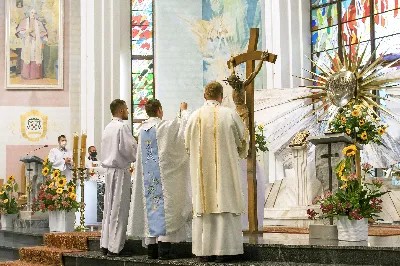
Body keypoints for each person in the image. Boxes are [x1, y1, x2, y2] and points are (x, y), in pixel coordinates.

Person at [185, 81, 249, 263]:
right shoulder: (229, 115)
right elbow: (243, 141)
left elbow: (187, 145)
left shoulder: (194, 117)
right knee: (224, 202)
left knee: (205, 207)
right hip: (225, 172)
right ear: (221, 97)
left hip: (202, 175)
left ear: (205, 96)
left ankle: (204, 251)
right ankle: (225, 250)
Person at [128, 99, 191, 260]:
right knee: (166, 210)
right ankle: (164, 250)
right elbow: (184, 127)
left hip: (149, 179)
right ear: (159, 110)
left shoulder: (143, 129)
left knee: (152, 210)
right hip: (163, 180)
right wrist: (183, 110)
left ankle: (152, 249)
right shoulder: (162, 126)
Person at [100, 99, 137, 256]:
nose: (128, 112)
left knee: (109, 209)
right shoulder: (122, 127)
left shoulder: (108, 127)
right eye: (126, 109)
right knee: (119, 209)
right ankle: (116, 248)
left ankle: (106, 244)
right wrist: (136, 147)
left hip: (109, 171)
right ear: (121, 111)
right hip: (120, 171)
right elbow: (129, 149)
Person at [16, 7, 48, 80]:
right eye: (32, 13)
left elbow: (43, 34)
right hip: (27, 43)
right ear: (29, 13)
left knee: (35, 57)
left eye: (35, 13)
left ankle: (35, 75)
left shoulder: (39, 23)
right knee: (27, 57)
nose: (33, 14)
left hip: (35, 43)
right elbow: (19, 33)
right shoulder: (24, 22)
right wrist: (26, 31)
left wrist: (41, 37)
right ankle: (26, 75)